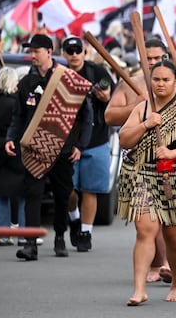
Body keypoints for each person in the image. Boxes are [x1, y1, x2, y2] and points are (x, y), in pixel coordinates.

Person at [106, 38, 176, 282]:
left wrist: (174, 152)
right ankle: (142, 283)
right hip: (143, 171)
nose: (151, 63)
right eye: (148, 59)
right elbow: (111, 117)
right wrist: (141, 111)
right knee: (146, 228)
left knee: (174, 235)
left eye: (156, 58)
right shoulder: (132, 87)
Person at [5, 34, 93, 260]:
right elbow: (18, 116)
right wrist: (10, 138)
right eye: (31, 51)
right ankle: (31, 244)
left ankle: (60, 237)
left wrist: (80, 146)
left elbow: (86, 115)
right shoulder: (26, 83)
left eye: (36, 51)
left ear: (48, 51)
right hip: (34, 149)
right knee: (32, 194)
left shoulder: (69, 80)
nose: (32, 55)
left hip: (63, 150)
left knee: (62, 196)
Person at [62, 36, 115, 252]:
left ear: (84, 52)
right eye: (70, 50)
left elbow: (111, 96)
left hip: (96, 139)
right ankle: (74, 218)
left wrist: (104, 97)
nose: (74, 55)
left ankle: (86, 232)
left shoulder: (98, 72)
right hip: (67, 141)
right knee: (68, 189)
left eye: (78, 50)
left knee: (90, 190)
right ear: (64, 53)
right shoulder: (60, 74)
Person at [0, 67, 26, 246]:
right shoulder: (15, 103)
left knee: (1, 192)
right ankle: (24, 233)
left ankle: (2, 233)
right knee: (23, 191)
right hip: (15, 147)